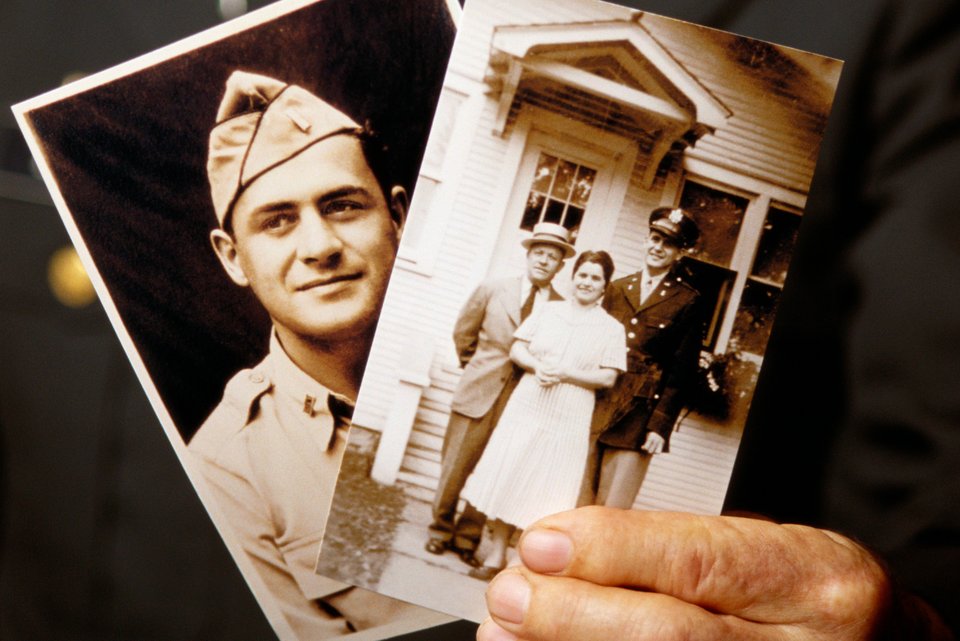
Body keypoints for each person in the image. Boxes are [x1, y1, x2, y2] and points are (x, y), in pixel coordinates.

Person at [187, 71, 435, 639]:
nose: (320, 247)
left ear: (397, 217)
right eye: (277, 221)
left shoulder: (501, 363)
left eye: (343, 206)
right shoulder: (227, 468)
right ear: (232, 258)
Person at [461, 250, 627, 581]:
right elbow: (517, 348)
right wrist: (538, 366)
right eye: (583, 274)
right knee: (509, 471)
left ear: (605, 286)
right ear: (573, 276)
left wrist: (566, 373)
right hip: (529, 402)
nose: (587, 282)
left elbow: (608, 377)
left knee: (547, 487)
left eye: (595, 278)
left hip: (570, 413)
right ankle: (493, 556)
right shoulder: (549, 311)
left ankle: (519, 562)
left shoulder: (611, 328)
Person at [425, 223, 572, 568]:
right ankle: (439, 531)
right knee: (455, 467)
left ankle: (467, 537)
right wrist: (476, 367)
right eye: (539, 252)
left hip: (522, 401)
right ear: (528, 254)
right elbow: (464, 332)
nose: (544, 260)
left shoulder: (561, 308)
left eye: (553, 256)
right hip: (479, 390)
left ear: (560, 265)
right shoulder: (493, 289)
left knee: (493, 471)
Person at [587, 207, 704, 508]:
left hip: (638, 417)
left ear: (679, 253)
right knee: (578, 498)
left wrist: (660, 425)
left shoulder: (687, 300)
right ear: (645, 241)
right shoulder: (616, 288)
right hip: (595, 405)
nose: (657, 248)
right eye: (654, 239)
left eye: (667, 244)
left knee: (612, 507)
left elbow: (681, 370)